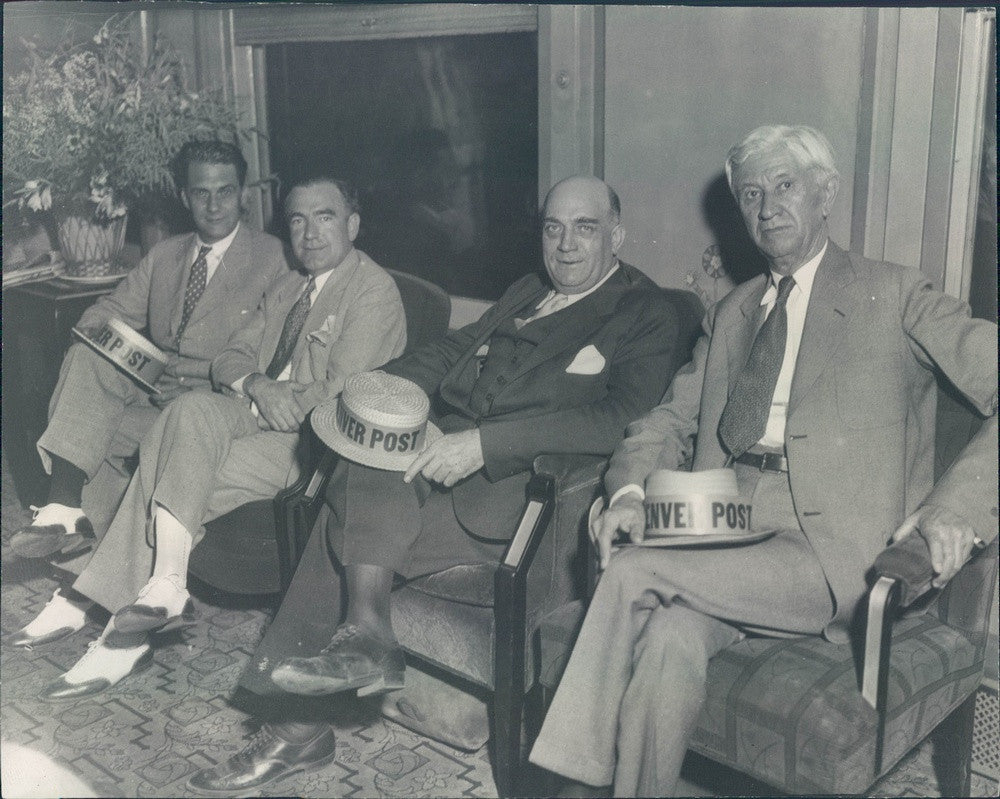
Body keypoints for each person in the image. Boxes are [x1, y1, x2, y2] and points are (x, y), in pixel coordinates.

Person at [185, 175, 697, 794]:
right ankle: (368, 638)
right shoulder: (528, 289)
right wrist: (370, 393)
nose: (564, 245)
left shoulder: (646, 312)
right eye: (552, 227)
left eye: (584, 229)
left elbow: (620, 418)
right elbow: (450, 350)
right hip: (441, 450)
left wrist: (482, 444)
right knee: (366, 453)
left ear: (615, 235)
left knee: (337, 527)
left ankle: (302, 723)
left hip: (522, 490)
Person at [528, 125, 998, 797]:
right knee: (666, 632)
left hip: (830, 543)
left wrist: (953, 510)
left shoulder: (895, 294)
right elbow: (666, 419)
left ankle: (560, 783)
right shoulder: (734, 311)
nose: (768, 206)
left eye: (785, 186)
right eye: (751, 193)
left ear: (825, 193)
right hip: (720, 505)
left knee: (633, 569)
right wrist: (629, 492)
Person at [30, 175, 407, 701]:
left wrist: (274, 398)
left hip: (311, 442)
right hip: (250, 411)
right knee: (181, 415)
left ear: (354, 225)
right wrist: (255, 385)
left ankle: (116, 630)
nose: (310, 233)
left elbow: (344, 394)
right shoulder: (290, 284)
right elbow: (232, 356)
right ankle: (163, 585)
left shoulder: (372, 291)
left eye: (325, 217)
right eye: (297, 220)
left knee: (168, 463)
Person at [10, 140, 289, 648]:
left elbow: (273, 346)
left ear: (242, 194)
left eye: (225, 192)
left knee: (105, 428)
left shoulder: (272, 257)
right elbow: (104, 313)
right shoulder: (166, 254)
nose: (213, 205)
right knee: (87, 364)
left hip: (212, 406)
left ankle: (80, 593)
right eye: (201, 193)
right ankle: (64, 512)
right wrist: (123, 350)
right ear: (185, 196)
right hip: (153, 394)